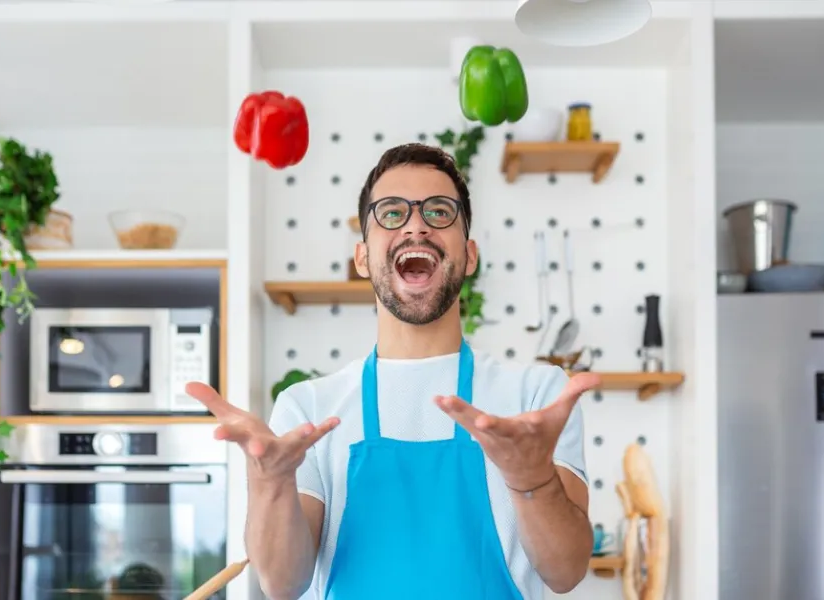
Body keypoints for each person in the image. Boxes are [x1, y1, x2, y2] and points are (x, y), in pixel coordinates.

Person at [187, 143, 597, 600]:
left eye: (440, 212)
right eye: (391, 212)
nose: (416, 225)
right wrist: (270, 484)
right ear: (362, 257)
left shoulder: (535, 395)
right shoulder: (309, 409)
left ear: (470, 255)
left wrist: (531, 478)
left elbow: (566, 572)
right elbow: (282, 584)